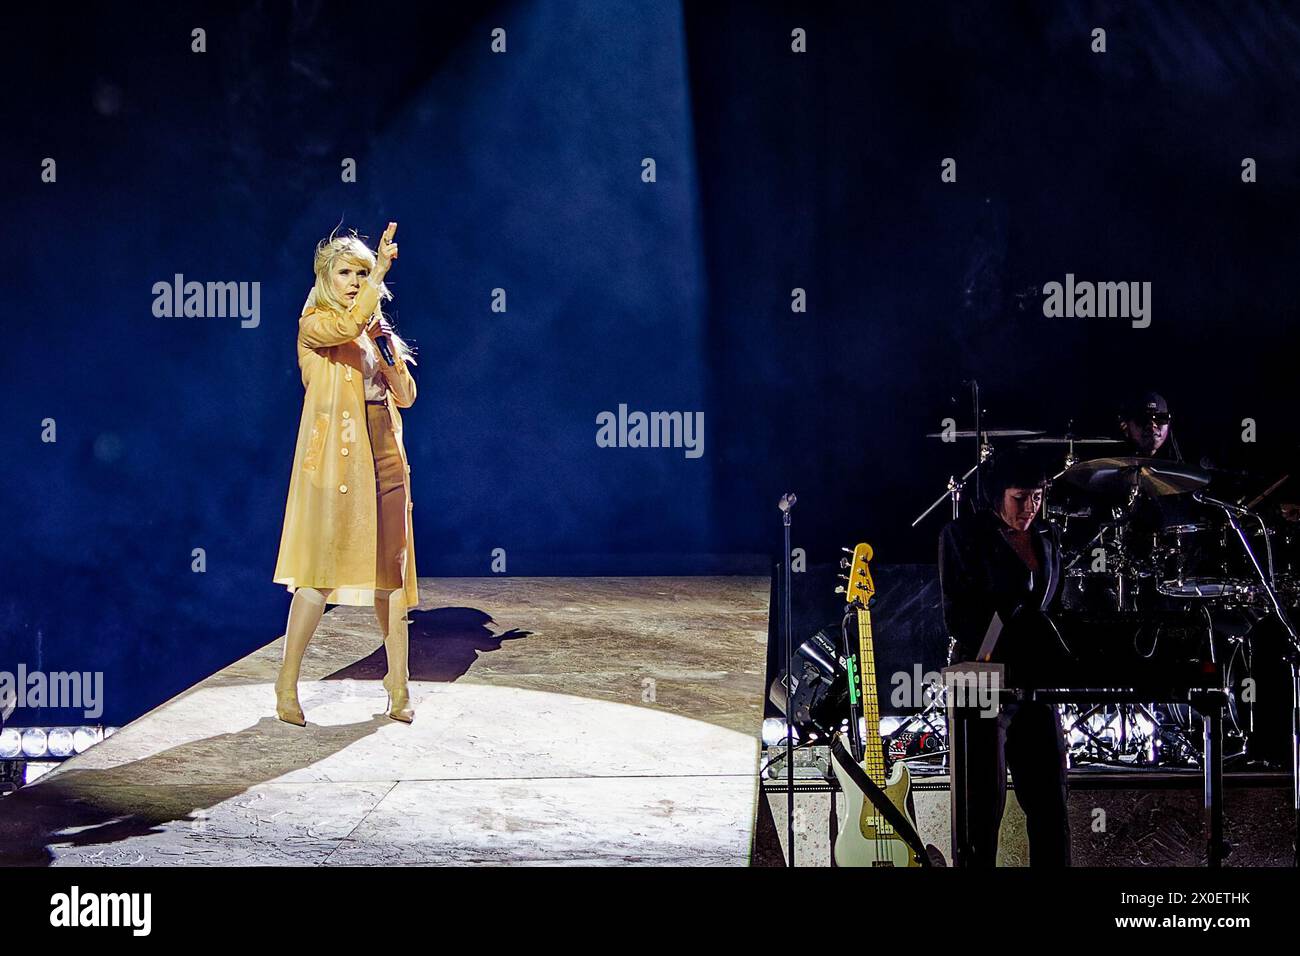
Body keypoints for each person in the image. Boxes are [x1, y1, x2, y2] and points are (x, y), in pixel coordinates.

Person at [272, 222, 420, 725]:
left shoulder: (373, 329)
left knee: (392, 574)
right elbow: (344, 326)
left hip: (385, 452)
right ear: (324, 276)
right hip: (338, 458)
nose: (356, 281)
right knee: (319, 571)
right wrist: (380, 275)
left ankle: (398, 684)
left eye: (363, 272)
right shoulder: (315, 323)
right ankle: (287, 682)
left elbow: (407, 396)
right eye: (347, 272)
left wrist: (387, 346)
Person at [938, 452, 1071, 866]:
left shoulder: (1047, 535)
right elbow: (958, 617)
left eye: (1037, 497)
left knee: (1050, 803)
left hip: (1035, 680)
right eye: (1020, 498)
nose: (1029, 508)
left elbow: (1056, 606)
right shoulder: (962, 534)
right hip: (981, 677)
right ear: (998, 496)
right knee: (981, 809)